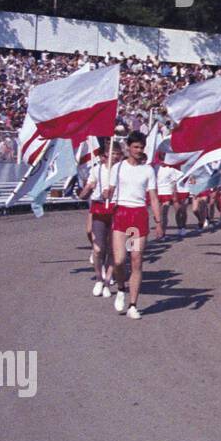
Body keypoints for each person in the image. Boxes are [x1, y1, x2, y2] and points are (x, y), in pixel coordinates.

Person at [103, 131, 163, 320]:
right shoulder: (118, 168)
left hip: (138, 216)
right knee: (119, 261)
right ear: (128, 147)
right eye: (135, 147)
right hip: (122, 214)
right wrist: (106, 193)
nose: (138, 150)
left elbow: (153, 197)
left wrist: (159, 222)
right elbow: (110, 191)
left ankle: (133, 305)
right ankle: (121, 288)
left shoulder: (147, 170)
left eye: (141, 147)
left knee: (136, 259)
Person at [78, 138, 119, 298]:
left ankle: (108, 281)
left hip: (117, 210)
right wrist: (87, 190)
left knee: (112, 249)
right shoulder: (97, 170)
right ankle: (99, 278)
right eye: (112, 154)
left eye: (117, 154)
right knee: (98, 248)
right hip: (99, 209)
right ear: (104, 156)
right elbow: (83, 194)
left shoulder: (122, 170)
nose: (115, 157)